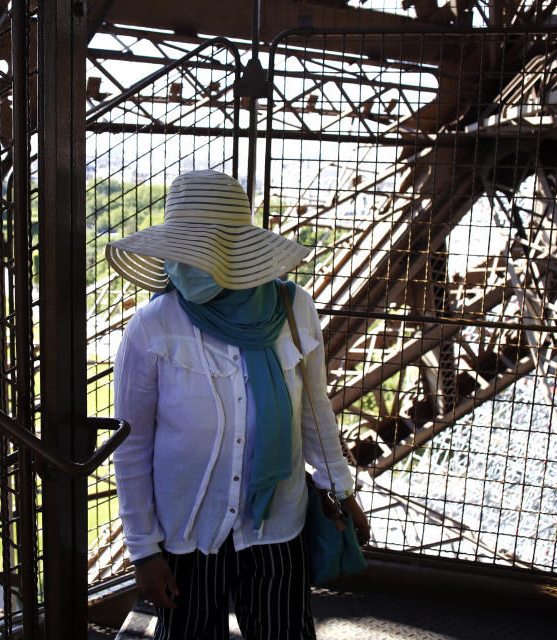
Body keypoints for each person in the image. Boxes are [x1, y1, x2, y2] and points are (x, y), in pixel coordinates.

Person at [107, 169, 371, 640]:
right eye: (180, 250)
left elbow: (314, 411)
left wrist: (341, 489)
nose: (186, 263)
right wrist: (143, 550)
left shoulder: (293, 309)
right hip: (188, 529)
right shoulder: (152, 327)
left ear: (233, 250)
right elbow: (131, 447)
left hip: (277, 523)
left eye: (198, 250)